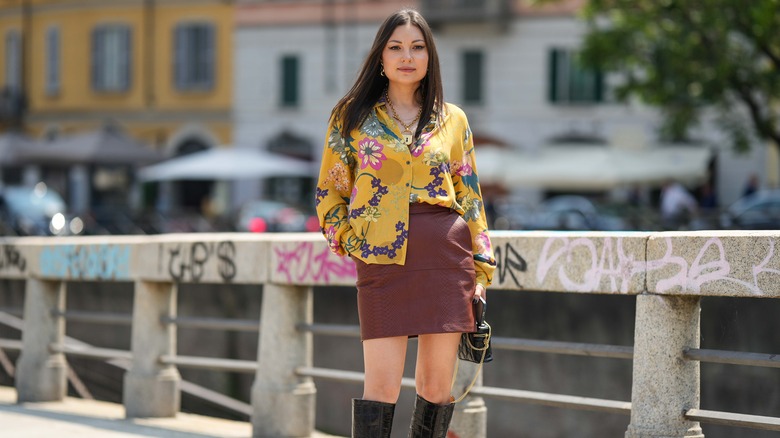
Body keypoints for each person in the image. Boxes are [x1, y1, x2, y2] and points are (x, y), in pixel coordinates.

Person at [315, 9, 496, 438]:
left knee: (437, 387)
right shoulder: (351, 116)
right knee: (381, 386)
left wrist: (483, 270)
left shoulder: (454, 120)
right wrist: (350, 241)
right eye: (395, 47)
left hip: (446, 260)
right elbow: (329, 193)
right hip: (381, 259)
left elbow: (470, 198)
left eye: (417, 47)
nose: (406, 56)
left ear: (430, 58)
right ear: (380, 57)